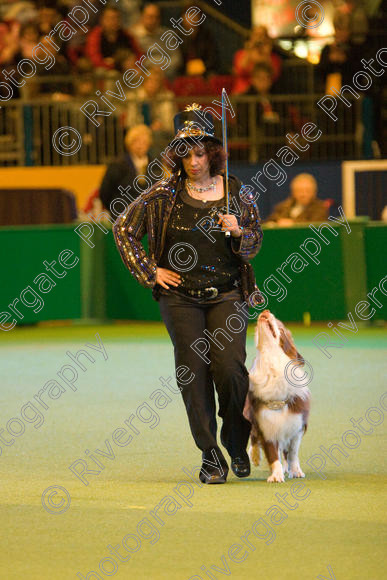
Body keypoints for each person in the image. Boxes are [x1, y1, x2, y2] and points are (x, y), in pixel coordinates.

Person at [113, 104, 264, 484]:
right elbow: (124, 229)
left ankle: (235, 440)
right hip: (179, 297)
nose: (193, 161)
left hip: (227, 293)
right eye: (185, 154)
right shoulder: (162, 193)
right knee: (192, 373)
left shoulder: (237, 191)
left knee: (231, 371)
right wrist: (150, 272)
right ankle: (210, 455)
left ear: (213, 153)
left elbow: (255, 243)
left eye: (199, 153)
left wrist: (239, 233)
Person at [99, 124, 153, 216]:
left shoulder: (154, 165)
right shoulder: (117, 165)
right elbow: (105, 192)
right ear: (129, 144)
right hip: (123, 216)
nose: (140, 145)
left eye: (144, 142)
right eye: (136, 141)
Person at [132, 3, 182, 79]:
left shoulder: (168, 34)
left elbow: (177, 58)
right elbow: (134, 60)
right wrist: (151, 69)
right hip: (144, 74)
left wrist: (162, 69)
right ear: (142, 17)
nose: (153, 20)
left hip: (167, 74)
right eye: (150, 17)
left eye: (157, 17)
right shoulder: (134, 36)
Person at [85, 5, 141, 71]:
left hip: (129, 69)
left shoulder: (126, 35)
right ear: (102, 20)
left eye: (117, 18)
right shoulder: (95, 35)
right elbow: (95, 60)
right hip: (107, 71)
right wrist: (116, 64)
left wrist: (134, 64)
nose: (115, 21)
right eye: (111, 18)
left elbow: (138, 54)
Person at [232, 25, 281, 95]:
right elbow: (239, 71)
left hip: (265, 92)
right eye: (256, 35)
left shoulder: (273, 57)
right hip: (243, 92)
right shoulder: (240, 54)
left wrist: (266, 54)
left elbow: (274, 75)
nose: (259, 38)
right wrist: (248, 52)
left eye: (262, 35)